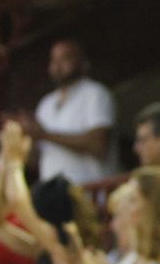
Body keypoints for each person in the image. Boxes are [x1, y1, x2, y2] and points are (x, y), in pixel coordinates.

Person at [24, 38, 120, 185]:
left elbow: (98, 145)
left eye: (65, 58)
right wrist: (27, 135)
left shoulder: (95, 93)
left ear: (84, 63)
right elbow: (34, 161)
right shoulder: (46, 104)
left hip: (88, 193)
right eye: (54, 60)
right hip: (52, 195)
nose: (58, 65)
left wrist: (44, 134)